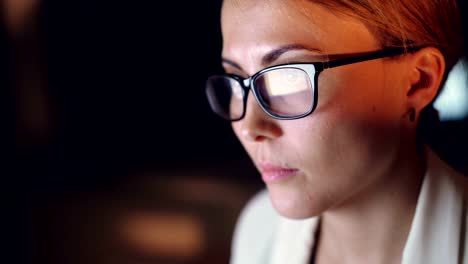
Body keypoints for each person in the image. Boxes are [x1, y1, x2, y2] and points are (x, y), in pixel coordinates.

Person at [205, 0, 467, 263]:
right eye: (236, 76)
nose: (250, 128)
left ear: (418, 81)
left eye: (289, 77)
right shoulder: (259, 229)